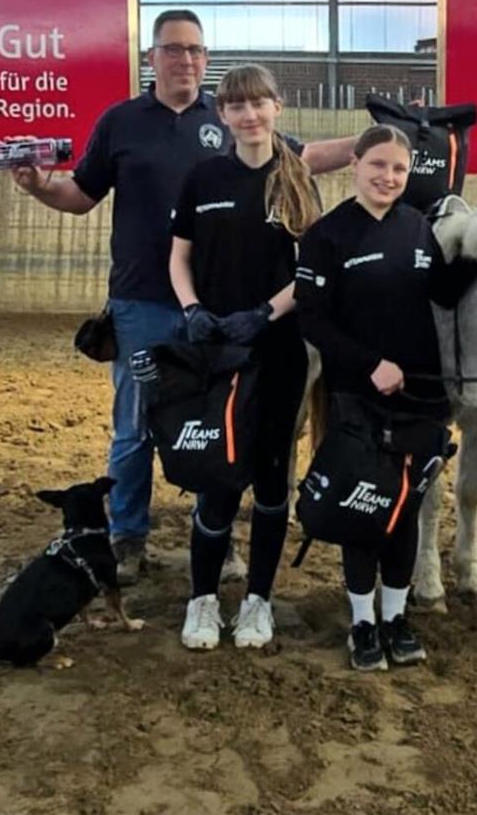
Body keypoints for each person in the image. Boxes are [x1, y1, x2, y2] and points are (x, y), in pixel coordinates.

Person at [12, 9, 355, 584]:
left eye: (195, 50)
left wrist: (370, 141)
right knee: (137, 424)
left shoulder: (228, 118)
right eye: (174, 49)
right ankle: (127, 536)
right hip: (143, 301)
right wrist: (41, 184)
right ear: (152, 57)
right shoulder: (121, 122)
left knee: (220, 422)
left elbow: (302, 155)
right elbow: (80, 195)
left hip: (219, 308)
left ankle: (215, 538)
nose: (186, 59)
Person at [295, 124, 477, 672]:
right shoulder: (327, 236)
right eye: (378, 165)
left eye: (399, 169)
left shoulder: (417, 229)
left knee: (405, 507)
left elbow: (444, 290)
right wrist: (370, 365)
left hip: (420, 397)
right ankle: (362, 622)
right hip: (358, 395)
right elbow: (313, 318)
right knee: (366, 508)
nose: (389, 177)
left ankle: (396, 617)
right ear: (356, 163)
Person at [168, 64, 320, 651]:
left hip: (276, 352)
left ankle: (259, 599)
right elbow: (178, 257)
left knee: (271, 479)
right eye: (236, 106)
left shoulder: (298, 180)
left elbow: (309, 269)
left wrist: (264, 313)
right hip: (213, 354)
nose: (249, 114)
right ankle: (202, 599)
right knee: (217, 480)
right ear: (223, 115)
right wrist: (192, 310)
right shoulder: (203, 178)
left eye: (259, 103)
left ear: (277, 108)